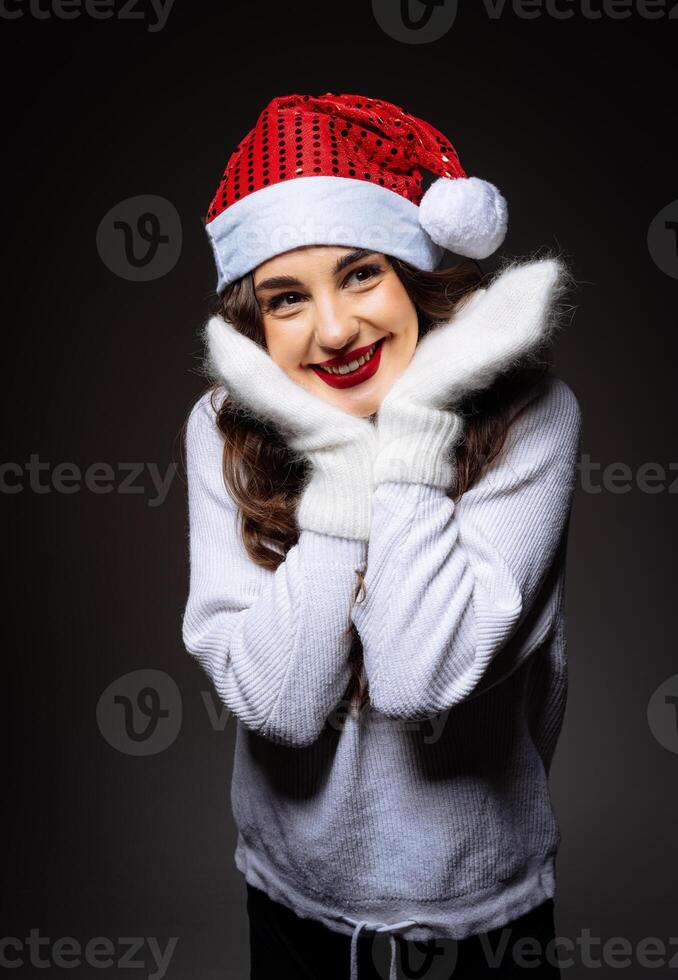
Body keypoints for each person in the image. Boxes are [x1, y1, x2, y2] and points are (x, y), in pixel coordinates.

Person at [182, 92, 581, 980]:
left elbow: (416, 675)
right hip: (291, 896)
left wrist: (407, 439)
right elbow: (278, 703)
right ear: (256, 326)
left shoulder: (533, 419)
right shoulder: (220, 425)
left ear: (418, 273)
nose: (333, 330)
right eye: (287, 298)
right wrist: (339, 470)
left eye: (362, 273)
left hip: (477, 917)